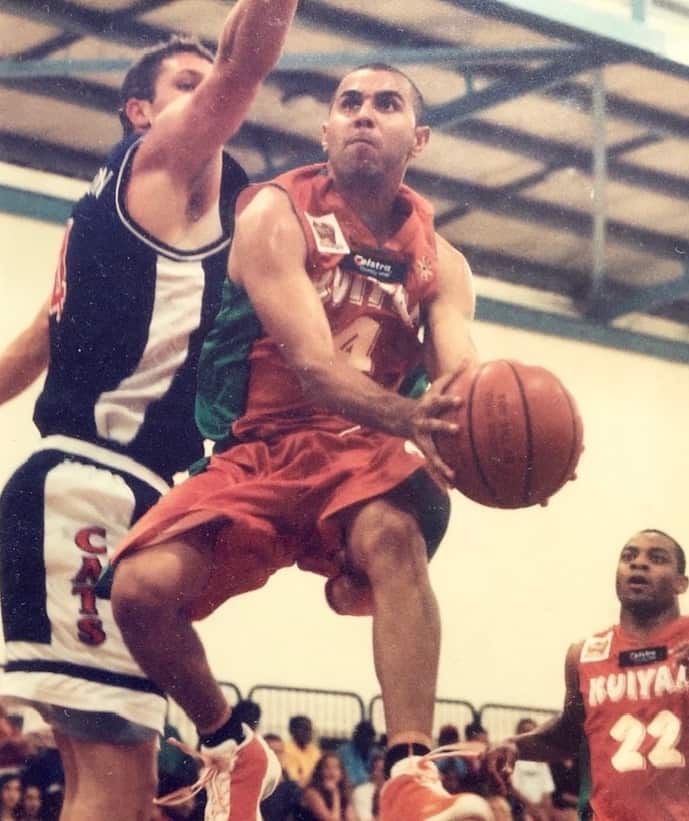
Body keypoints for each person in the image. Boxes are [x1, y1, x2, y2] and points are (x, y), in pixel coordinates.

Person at [110, 62, 492, 821]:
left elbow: (461, 374)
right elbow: (315, 366)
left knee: (397, 527)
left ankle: (410, 773)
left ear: (416, 139)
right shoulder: (275, 210)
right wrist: (417, 421)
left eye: (385, 104)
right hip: (265, 443)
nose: (362, 115)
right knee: (138, 592)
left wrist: (491, 436)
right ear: (325, 128)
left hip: (361, 448)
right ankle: (232, 747)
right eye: (347, 102)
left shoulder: (442, 262)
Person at [0, 2, 298, 819]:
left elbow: (31, 348)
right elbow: (246, 64)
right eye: (186, 84)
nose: (212, 96)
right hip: (91, 487)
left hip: (75, 489)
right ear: (141, 112)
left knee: (111, 787)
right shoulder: (160, 162)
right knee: (110, 788)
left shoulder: (112, 221)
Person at [487, 529, 689, 821]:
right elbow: (568, 733)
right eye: (629, 556)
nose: (638, 563)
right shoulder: (584, 654)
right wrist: (516, 745)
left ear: (682, 583)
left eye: (657, 558)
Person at [507, 719, 554, 821]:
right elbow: (514, 789)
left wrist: (544, 809)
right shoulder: (514, 759)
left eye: (532, 731)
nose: (529, 735)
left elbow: (547, 792)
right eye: (525, 731)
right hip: (521, 806)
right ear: (518, 734)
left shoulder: (542, 760)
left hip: (540, 808)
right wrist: (531, 807)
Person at [298, 751, 357, 821]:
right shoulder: (311, 793)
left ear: (342, 773)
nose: (332, 772)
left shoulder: (344, 792)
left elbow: (352, 819)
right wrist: (335, 793)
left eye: (336, 768)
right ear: (320, 771)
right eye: (327, 768)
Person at [281, 715, 322, 788]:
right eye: (303, 729)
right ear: (292, 730)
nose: (307, 733)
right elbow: (294, 779)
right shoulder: (285, 749)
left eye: (309, 729)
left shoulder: (315, 751)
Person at [337, 721, 379, 788]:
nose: (367, 740)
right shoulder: (345, 752)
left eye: (370, 737)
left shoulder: (374, 752)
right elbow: (351, 779)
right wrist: (370, 779)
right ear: (356, 737)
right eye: (364, 736)